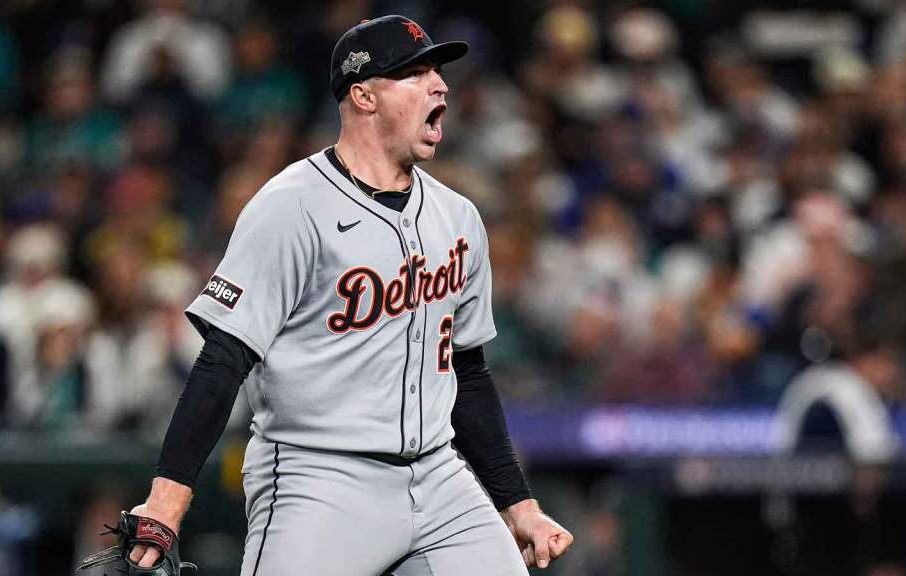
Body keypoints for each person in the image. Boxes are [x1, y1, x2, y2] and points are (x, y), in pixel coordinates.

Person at [126, 15, 573, 575]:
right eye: (414, 73)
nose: (440, 85)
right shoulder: (291, 205)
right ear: (363, 95)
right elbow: (222, 360)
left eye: (438, 72)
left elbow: (469, 373)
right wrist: (167, 501)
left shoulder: (458, 217)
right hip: (319, 481)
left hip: (439, 477)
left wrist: (518, 504)